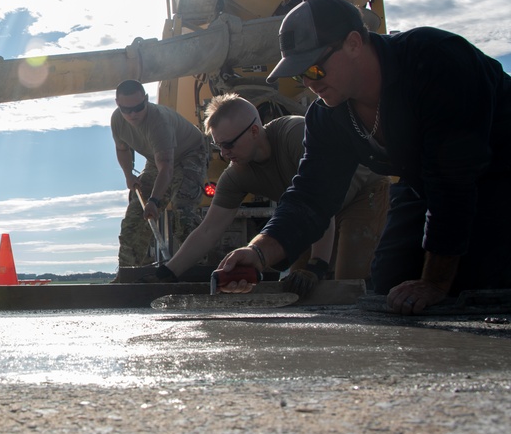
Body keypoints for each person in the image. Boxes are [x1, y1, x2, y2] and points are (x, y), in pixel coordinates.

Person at [214, 0, 511, 314]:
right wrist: (258, 253)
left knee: (479, 285)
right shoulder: (328, 116)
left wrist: (435, 283)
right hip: (426, 185)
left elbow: (454, 179)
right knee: (390, 283)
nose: (308, 83)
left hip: (495, 175)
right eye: (299, 73)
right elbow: (310, 197)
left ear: (353, 43)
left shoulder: (436, 59)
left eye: (314, 68)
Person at [145, 94, 389, 297]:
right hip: (311, 213)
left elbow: (320, 199)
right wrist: (167, 273)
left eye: (229, 144)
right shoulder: (235, 175)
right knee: (297, 287)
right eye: (219, 147)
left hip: (361, 195)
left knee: (346, 285)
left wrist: (318, 266)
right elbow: (209, 230)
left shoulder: (298, 135)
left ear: (253, 131)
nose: (225, 154)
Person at [111, 79, 210, 271]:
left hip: (189, 154)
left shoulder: (159, 122)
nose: (132, 114)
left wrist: (155, 201)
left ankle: (195, 272)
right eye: (126, 109)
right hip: (158, 159)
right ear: (118, 104)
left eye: (138, 107)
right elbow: (122, 148)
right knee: (136, 214)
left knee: (183, 212)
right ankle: (129, 274)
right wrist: (128, 175)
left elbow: (167, 169)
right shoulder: (117, 120)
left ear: (146, 100)